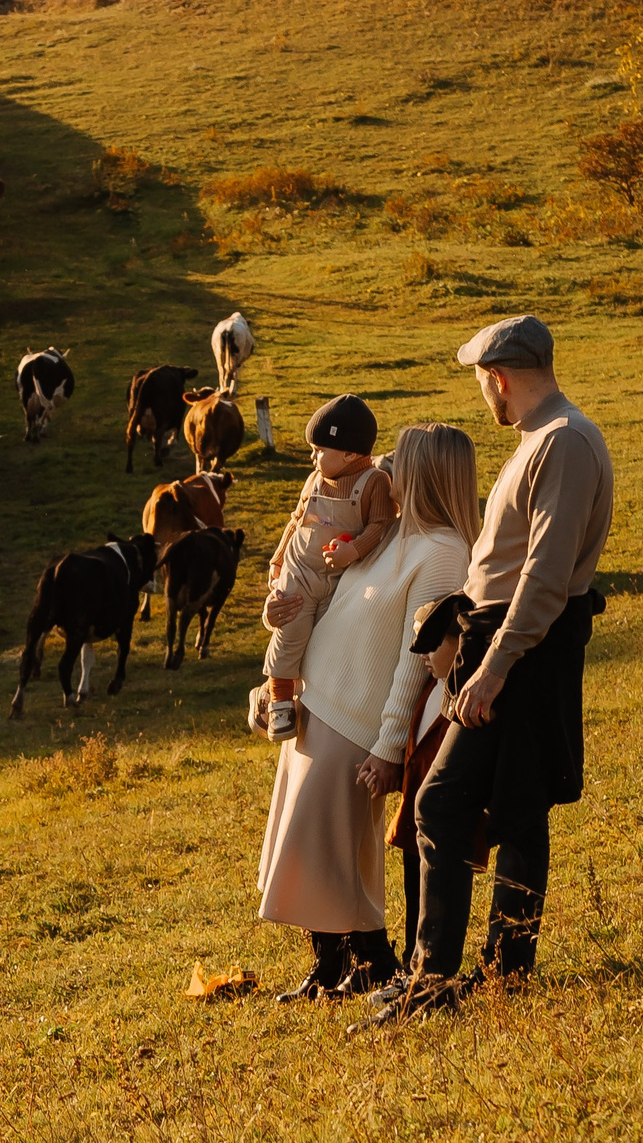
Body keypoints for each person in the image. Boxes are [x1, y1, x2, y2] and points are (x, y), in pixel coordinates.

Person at [399, 315, 614, 1013]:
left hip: (522, 649)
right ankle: (501, 973)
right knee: (515, 809)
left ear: (497, 378)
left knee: (446, 801)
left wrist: (494, 665)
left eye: (480, 383)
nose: (482, 396)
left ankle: (437, 978)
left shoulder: (564, 443)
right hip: (509, 642)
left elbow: (546, 576)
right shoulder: (542, 438)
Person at [257, 421, 478, 999]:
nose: (383, 467)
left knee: (325, 850)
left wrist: (387, 745)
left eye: (398, 459)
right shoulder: (393, 532)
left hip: (355, 717)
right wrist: (279, 624)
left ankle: (365, 962)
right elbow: (330, 597)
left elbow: (415, 658)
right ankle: (341, 966)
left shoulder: (443, 553)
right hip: (319, 700)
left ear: (424, 473)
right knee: (321, 847)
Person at [252, 395, 395, 743]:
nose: (312, 458)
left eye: (318, 450)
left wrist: (353, 550)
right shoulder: (315, 480)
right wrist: (278, 560)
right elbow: (297, 521)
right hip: (301, 570)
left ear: (348, 453)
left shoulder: (375, 482)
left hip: (339, 576)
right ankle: (279, 701)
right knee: (290, 625)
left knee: (326, 639)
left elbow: (380, 525)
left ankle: (311, 699)